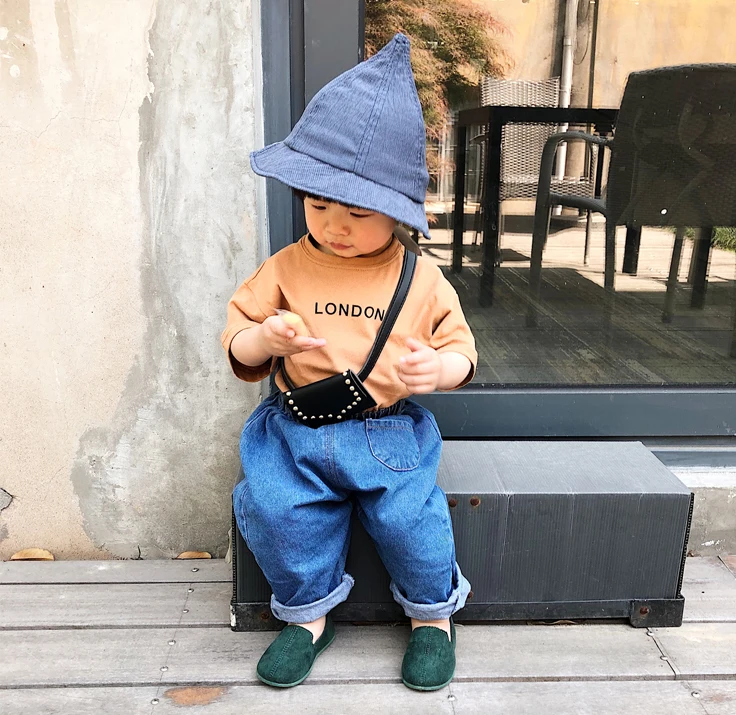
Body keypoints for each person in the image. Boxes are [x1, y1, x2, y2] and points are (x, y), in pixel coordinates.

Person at [221, 33, 477, 691]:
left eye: (359, 212)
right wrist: (265, 339)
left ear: (398, 213)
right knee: (280, 512)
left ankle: (432, 617)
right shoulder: (285, 267)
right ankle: (307, 616)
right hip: (296, 428)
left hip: (386, 430)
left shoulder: (420, 280)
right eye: (318, 203)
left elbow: (461, 350)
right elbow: (238, 340)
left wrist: (439, 371)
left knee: (412, 521)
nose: (334, 224)